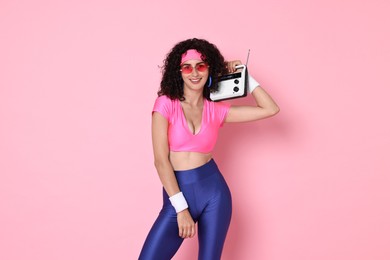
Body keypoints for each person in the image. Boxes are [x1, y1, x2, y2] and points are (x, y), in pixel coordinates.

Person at [139, 38, 279, 260]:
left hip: (214, 193)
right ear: (179, 72)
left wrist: (245, 75)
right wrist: (181, 209)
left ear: (209, 69)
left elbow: (270, 109)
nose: (194, 73)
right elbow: (160, 161)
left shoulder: (216, 109)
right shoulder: (166, 104)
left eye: (201, 66)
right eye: (187, 67)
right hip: (178, 192)